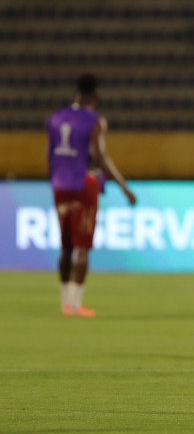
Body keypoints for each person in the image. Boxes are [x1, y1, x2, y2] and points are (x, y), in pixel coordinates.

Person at [46, 74, 137, 317]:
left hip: (60, 184)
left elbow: (49, 154)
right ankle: (76, 305)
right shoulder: (95, 120)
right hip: (83, 183)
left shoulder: (55, 118)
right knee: (82, 246)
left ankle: (65, 302)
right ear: (95, 95)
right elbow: (99, 155)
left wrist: (55, 180)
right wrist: (124, 186)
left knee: (66, 245)